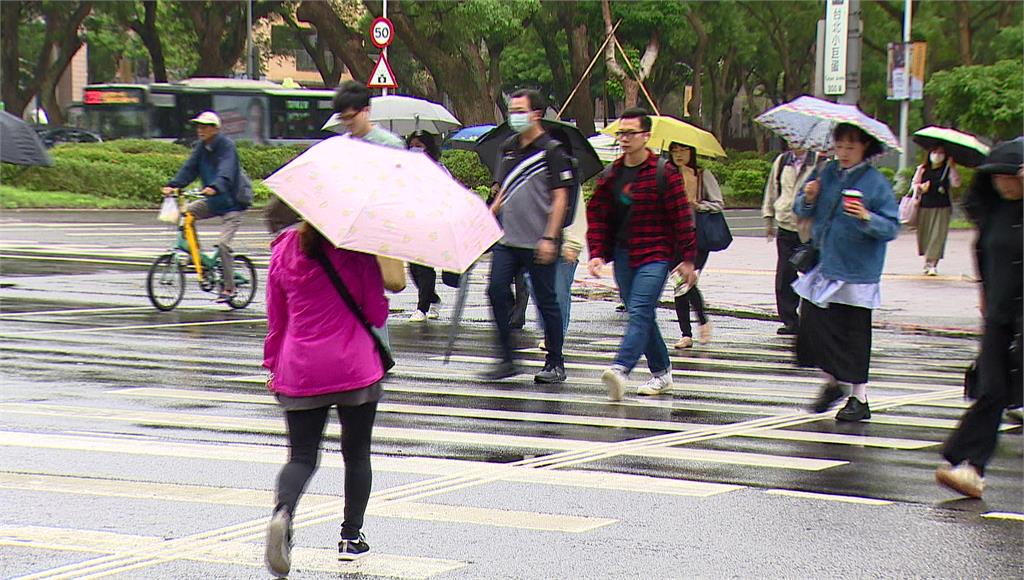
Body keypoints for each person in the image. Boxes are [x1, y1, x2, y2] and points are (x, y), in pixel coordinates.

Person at [262, 222, 387, 576]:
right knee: (356, 452)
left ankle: (282, 513)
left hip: (300, 366)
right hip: (354, 366)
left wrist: (272, 362)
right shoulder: (358, 249)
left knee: (301, 456)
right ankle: (351, 537)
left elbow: (277, 316)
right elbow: (376, 313)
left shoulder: (284, 248)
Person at [587, 108, 698, 400]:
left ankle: (620, 368)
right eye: (621, 133)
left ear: (646, 136)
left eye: (630, 133)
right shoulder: (613, 174)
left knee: (639, 310)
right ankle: (662, 373)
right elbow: (597, 213)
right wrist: (597, 252)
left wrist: (688, 259)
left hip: (656, 253)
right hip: (624, 255)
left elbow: (682, 216)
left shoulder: (664, 172)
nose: (624, 139)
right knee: (642, 315)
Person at [794, 123, 900, 422]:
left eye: (850, 147)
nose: (843, 153)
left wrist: (867, 216)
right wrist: (810, 196)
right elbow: (801, 209)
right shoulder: (826, 173)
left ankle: (859, 397)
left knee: (854, 334)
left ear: (865, 147)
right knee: (813, 328)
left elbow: (891, 227)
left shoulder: (875, 182)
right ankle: (833, 381)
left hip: (857, 270)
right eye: (839, 146)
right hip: (825, 265)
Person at [935, 138, 1023, 499]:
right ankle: (970, 467)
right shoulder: (992, 212)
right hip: (1000, 314)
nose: (1002, 183)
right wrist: (985, 298)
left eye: (1010, 176)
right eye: (996, 176)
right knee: (992, 390)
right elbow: (984, 258)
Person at [482, 89, 571, 384]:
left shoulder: (553, 150)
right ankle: (508, 358)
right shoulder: (508, 148)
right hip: (508, 240)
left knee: (546, 301)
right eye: (512, 110)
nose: (514, 115)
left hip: (538, 240)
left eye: (520, 110)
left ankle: (555, 362)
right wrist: (490, 213)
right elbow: (503, 190)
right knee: (496, 290)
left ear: (536, 114)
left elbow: (560, 198)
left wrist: (550, 237)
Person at [162, 111, 245, 303]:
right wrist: (173, 185)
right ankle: (199, 258)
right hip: (213, 201)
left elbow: (226, 170)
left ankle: (229, 288)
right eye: (199, 126)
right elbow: (189, 169)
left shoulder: (226, 146)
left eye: (205, 126)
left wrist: (215, 187)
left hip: (232, 203)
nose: (201, 130)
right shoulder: (201, 148)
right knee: (187, 214)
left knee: (224, 245)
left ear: (216, 129)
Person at [667, 142, 723, 349]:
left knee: (687, 282)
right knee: (679, 284)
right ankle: (688, 332)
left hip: (697, 236)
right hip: (673, 237)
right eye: (675, 151)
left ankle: (700, 323)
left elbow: (718, 203)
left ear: (691, 152)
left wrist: (698, 204)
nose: (679, 155)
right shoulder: (667, 175)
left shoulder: (701, 174)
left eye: (683, 150)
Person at [763, 145, 818, 334]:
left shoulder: (819, 161)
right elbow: (772, 189)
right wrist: (769, 217)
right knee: (785, 274)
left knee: (811, 275)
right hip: (785, 224)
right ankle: (789, 319)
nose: (795, 141)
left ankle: (811, 319)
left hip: (809, 227)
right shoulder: (782, 161)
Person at [405, 130, 460, 321]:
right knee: (413, 267)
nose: (415, 150)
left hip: (432, 223)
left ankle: (422, 307)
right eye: (412, 146)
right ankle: (433, 298)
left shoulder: (439, 169)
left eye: (419, 146)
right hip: (412, 222)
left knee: (425, 265)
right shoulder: (405, 170)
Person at [911, 146, 962, 276]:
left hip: (942, 206)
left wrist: (953, 168)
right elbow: (914, 185)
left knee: (937, 235)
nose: (937, 155)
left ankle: (933, 264)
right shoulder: (922, 169)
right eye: (934, 152)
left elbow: (956, 184)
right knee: (926, 235)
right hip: (925, 206)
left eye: (941, 153)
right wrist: (921, 187)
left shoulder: (948, 169)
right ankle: (927, 262)